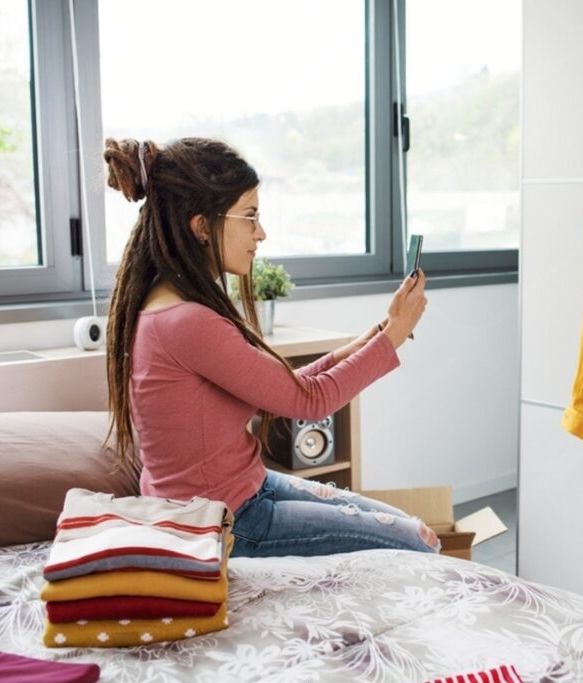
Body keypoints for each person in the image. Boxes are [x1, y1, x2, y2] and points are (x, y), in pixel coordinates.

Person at [102, 136, 440, 558]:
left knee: (414, 529)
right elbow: (309, 402)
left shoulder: (172, 305)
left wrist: (379, 334)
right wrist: (393, 337)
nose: (261, 233)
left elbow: (280, 391)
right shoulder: (186, 322)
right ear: (202, 226)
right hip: (224, 520)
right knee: (418, 542)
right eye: (250, 216)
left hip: (245, 489)